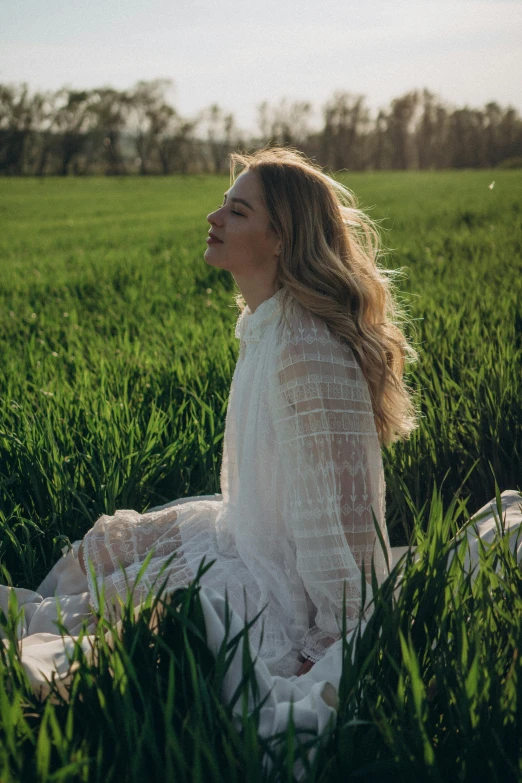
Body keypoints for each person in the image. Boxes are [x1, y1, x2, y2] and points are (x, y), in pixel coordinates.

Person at [74, 147, 418, 678]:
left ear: (282, 238)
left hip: (282, 585)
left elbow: (342, 517)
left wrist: (330, 637)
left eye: (238, 212)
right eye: (223, 204)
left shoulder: (306, 350)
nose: (214, 218)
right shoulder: (268, 323)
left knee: (109, 632)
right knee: (97, 555)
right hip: (247, 534)